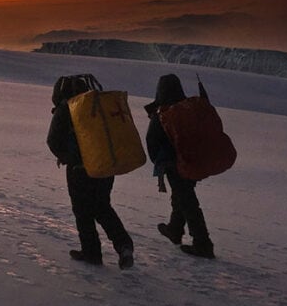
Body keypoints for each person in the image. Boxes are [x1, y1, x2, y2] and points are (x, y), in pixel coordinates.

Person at [46, 76, 134, 269]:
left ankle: (92, 253)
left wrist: (68, 157)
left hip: (79, 170)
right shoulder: (97, 105)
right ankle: (124, 245)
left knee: (82, 211)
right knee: (102, 207)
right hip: (104, 166)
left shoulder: (66, 107)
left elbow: (53, 140)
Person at [145, 74, 215, 259]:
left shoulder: (164, 113)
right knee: (183, 196)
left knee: (188, 201)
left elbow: (152, 141)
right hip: (192, 160)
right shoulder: (190, 109)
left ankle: (203, 243)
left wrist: (160, 162)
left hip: (174, 164)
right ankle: (174, 229)